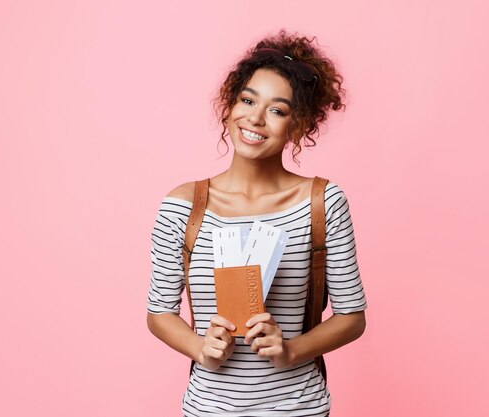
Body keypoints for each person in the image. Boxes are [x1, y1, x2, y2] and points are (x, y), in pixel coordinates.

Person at [146, 29, 367, 416]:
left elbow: (352, 317)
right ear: (229, 104)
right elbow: (159, 313)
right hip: (208, 408)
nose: (256, 118)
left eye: (277, 110)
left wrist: (291, 350)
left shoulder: (322, 203)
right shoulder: (181, 207)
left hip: (298, 407)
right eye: (248, 100)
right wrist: (200, 348)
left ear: (298, 126)